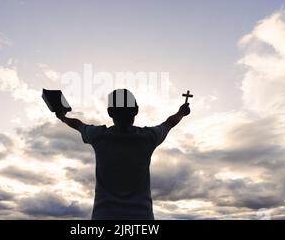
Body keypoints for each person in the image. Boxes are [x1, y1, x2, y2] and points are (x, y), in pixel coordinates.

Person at [56, 89, 191, 220]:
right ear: (136, 110)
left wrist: (63, 117)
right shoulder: (149, 137)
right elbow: (170, 123)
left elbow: (78, 124)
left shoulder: (98, 136)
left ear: (110, 112)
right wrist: (181, 112)